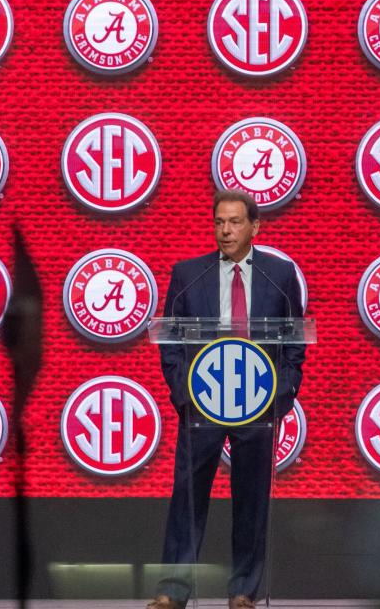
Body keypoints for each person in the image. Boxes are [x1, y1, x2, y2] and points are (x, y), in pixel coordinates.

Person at [148, 190, 305, 609]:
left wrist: (282, 393)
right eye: (219, 222)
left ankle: (242, 591)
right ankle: (173, 591)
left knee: (252, 501)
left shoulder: (279, 274)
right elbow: (171, 341)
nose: (225, 230)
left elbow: (294, 344)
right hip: (202, 406)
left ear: (255, 227)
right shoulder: (189, 273)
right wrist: (183, 395)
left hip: (257, 403)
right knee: (187, 498)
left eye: (235, 222)